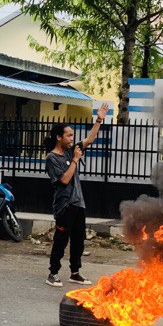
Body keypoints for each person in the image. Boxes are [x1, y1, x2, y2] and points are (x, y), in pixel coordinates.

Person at [45, 105, 109, 287]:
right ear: (59, 137)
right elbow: (64, 180)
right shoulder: (52, 158)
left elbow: (90, 139)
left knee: (78, 241)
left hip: (78, 203)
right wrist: (74, 160)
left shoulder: (70, 150)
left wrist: (99, 119)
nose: (72, 138)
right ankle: (53, 273)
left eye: (72, 135)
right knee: (61, 240)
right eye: (69, 135)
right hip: (64, 205)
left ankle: (75, 272)